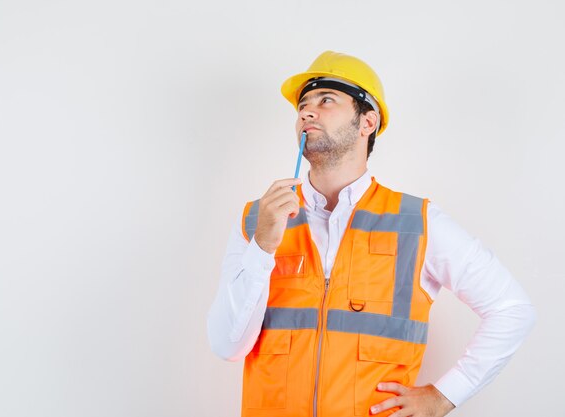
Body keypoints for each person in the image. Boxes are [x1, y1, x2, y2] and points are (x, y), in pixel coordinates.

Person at [207, 50, 535, 417]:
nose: (306, 112)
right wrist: (263, 246)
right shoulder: (257, 219)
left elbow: (512, 309)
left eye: (325, 99)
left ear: (368, 122)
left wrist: (444, 396)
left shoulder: (418, 222)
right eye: (302, 105)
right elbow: (227, 345)